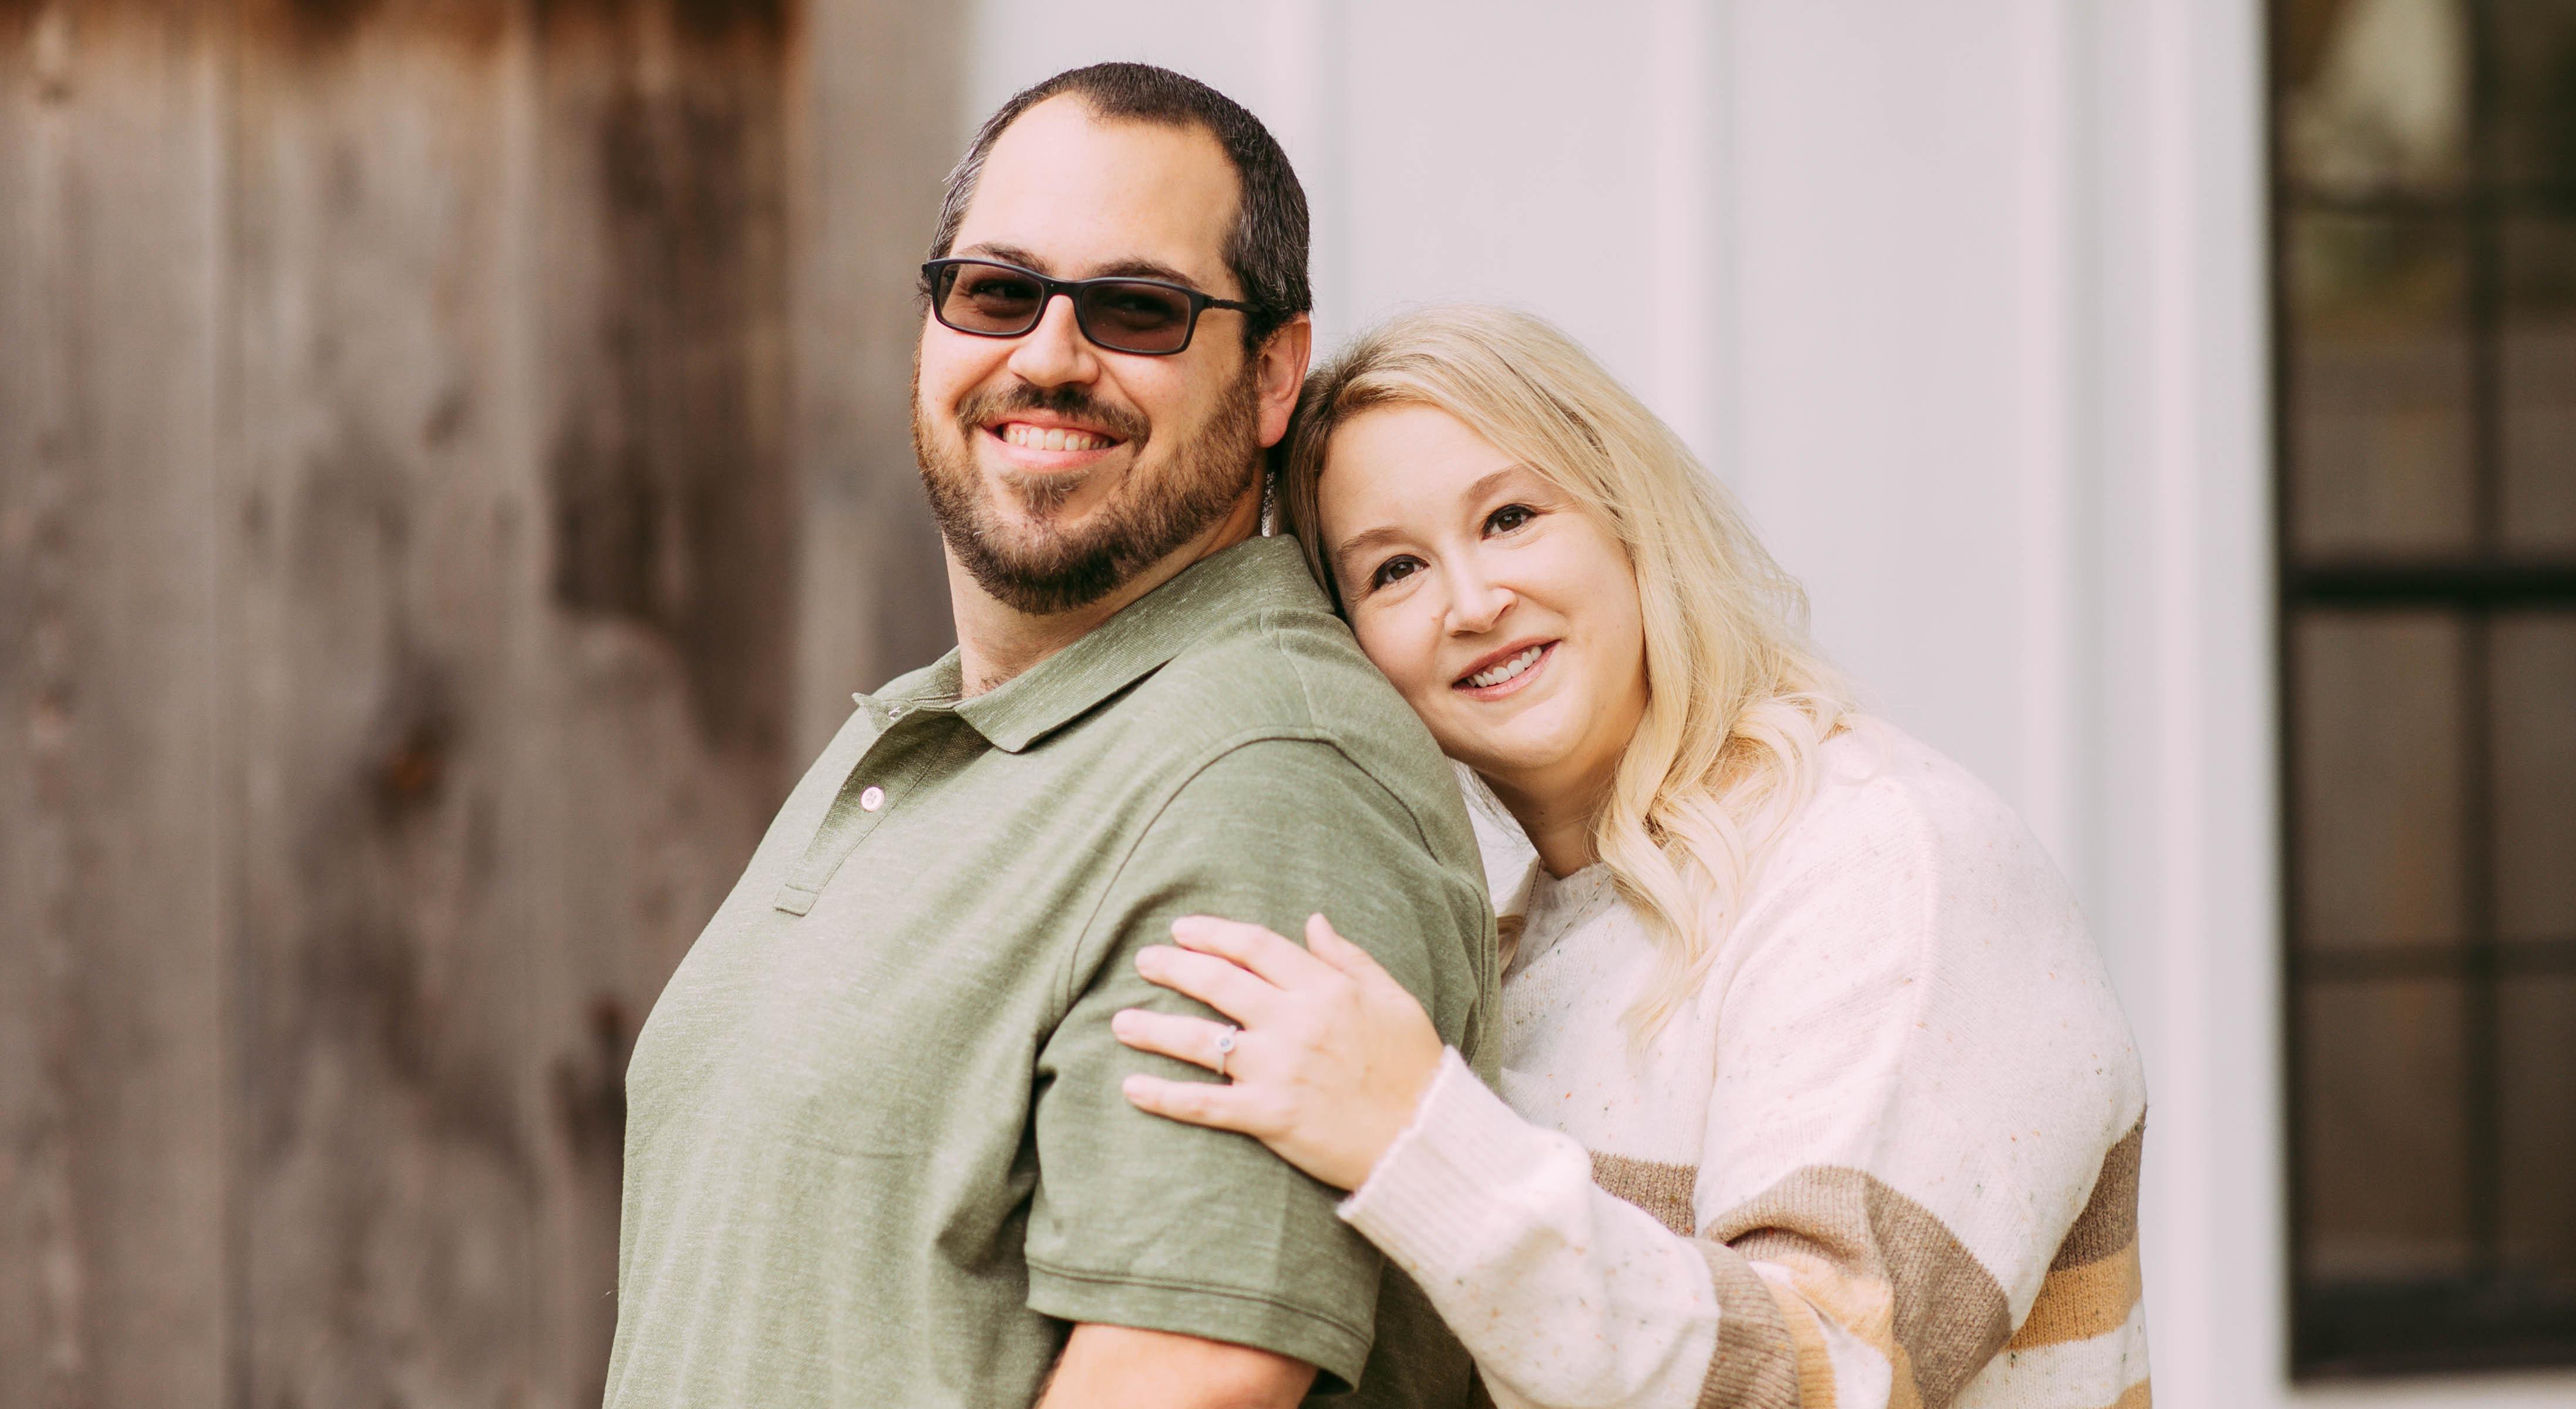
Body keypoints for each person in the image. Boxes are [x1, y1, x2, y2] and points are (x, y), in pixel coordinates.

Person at [601, 66, 1494, 1409]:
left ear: (1270, 375)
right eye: (997, 292)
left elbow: (1193, 1374)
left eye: (1137, 309)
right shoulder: (946, 731)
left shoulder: (1262, 776)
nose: (1049, 357)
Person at [1113, 305, 2151, 1409]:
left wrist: (1418, 1139)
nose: (1473, 603)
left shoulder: (1886, 859)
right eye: (1396, 570)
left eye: (1511, 517)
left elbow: (1828, 1377)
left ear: (1628, 516)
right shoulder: (1504, 950)